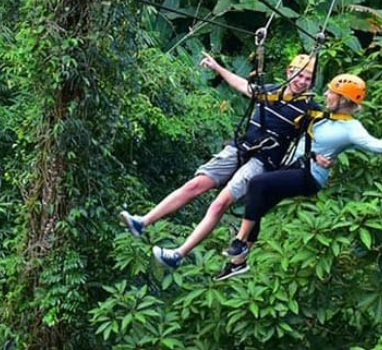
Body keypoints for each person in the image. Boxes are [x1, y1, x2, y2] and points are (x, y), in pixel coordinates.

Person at [214, 72, 382, 280]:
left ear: (342, 99)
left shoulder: (352, 128)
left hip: (309, 176)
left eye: (331, 92)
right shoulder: (323, 115)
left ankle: (240, 242)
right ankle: (238, 264)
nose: (325, 94)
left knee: (257, 184)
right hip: (293, 167)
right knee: (256, 203)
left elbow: (374, 144)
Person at [120, 52, 317, 265]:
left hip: (263, 161)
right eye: (299, 75)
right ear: (289, 72)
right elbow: (242, 85)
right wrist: (217, 68)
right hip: (240, 148)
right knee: (195, 185)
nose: (301, 81)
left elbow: (329, 129)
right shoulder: (269, 91)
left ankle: (178, 254)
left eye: (307, 79)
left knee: (219, 203)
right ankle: (143, 222)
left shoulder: (310, 109)